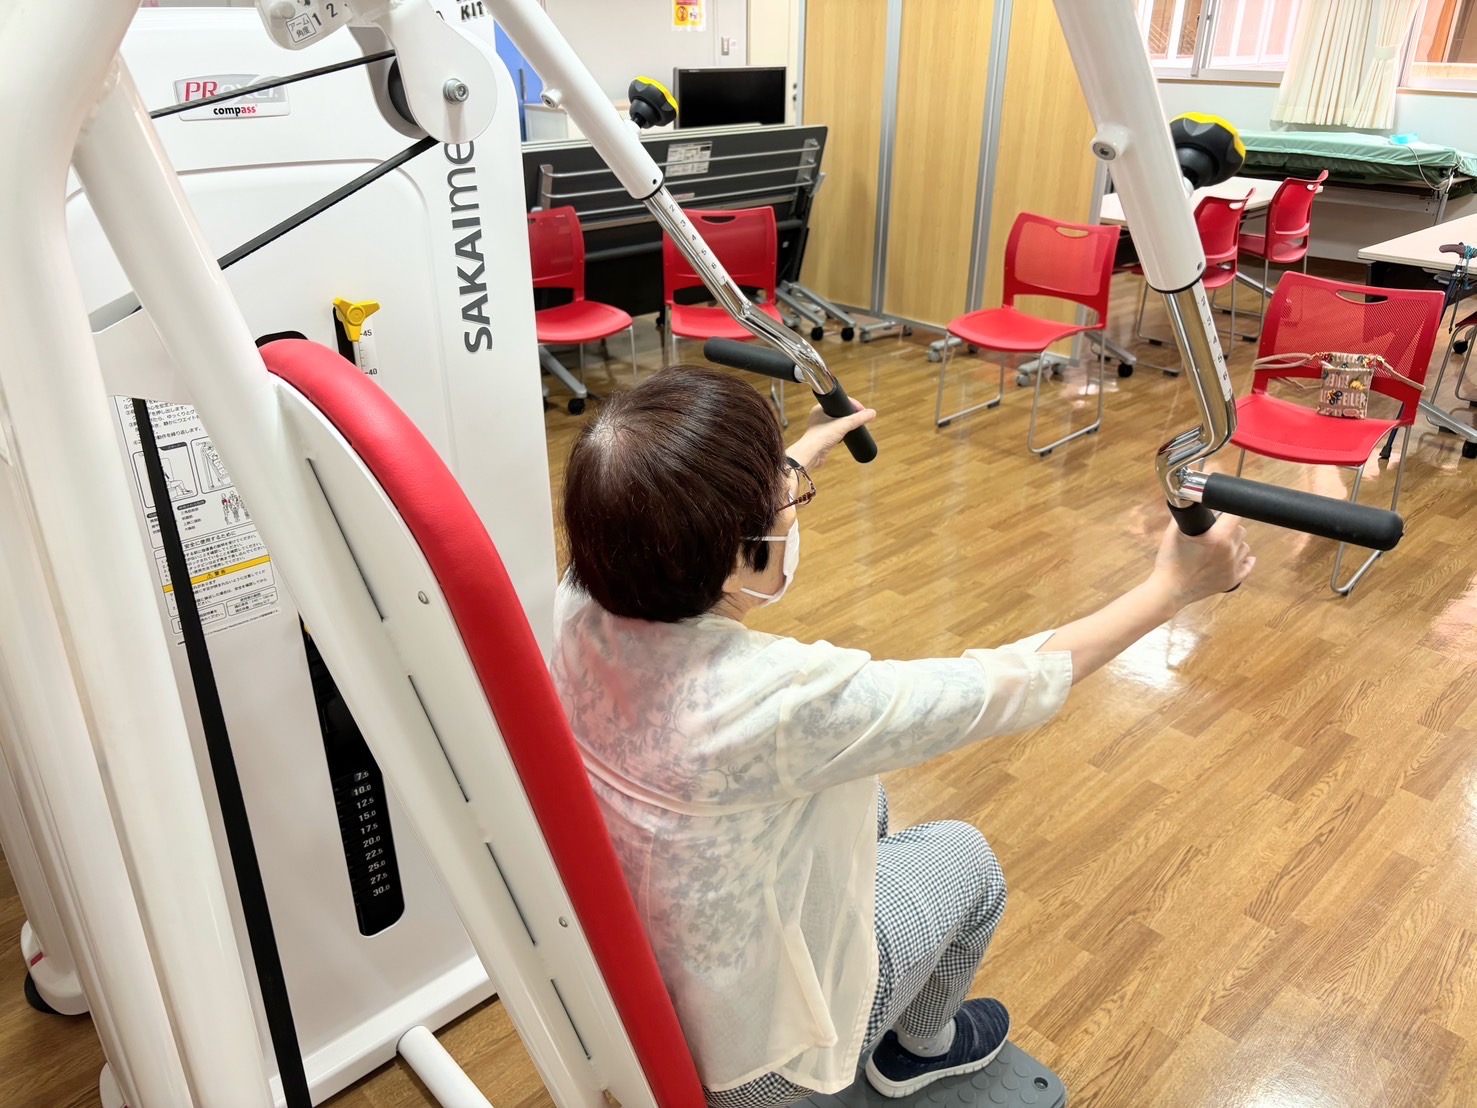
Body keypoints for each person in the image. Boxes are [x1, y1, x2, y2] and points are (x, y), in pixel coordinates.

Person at [550, 367, 1253, 1105]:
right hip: (755, 1068)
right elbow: (1000, 684)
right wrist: (1172, 589)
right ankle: (922, 1047)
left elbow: (659, 515)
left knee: (872, 803)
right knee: (967, 860)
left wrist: (798, 456)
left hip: (632, 985)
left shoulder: (578, 602)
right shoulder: (781, 700)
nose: (793, 506)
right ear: (734, 549)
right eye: (786, 499)